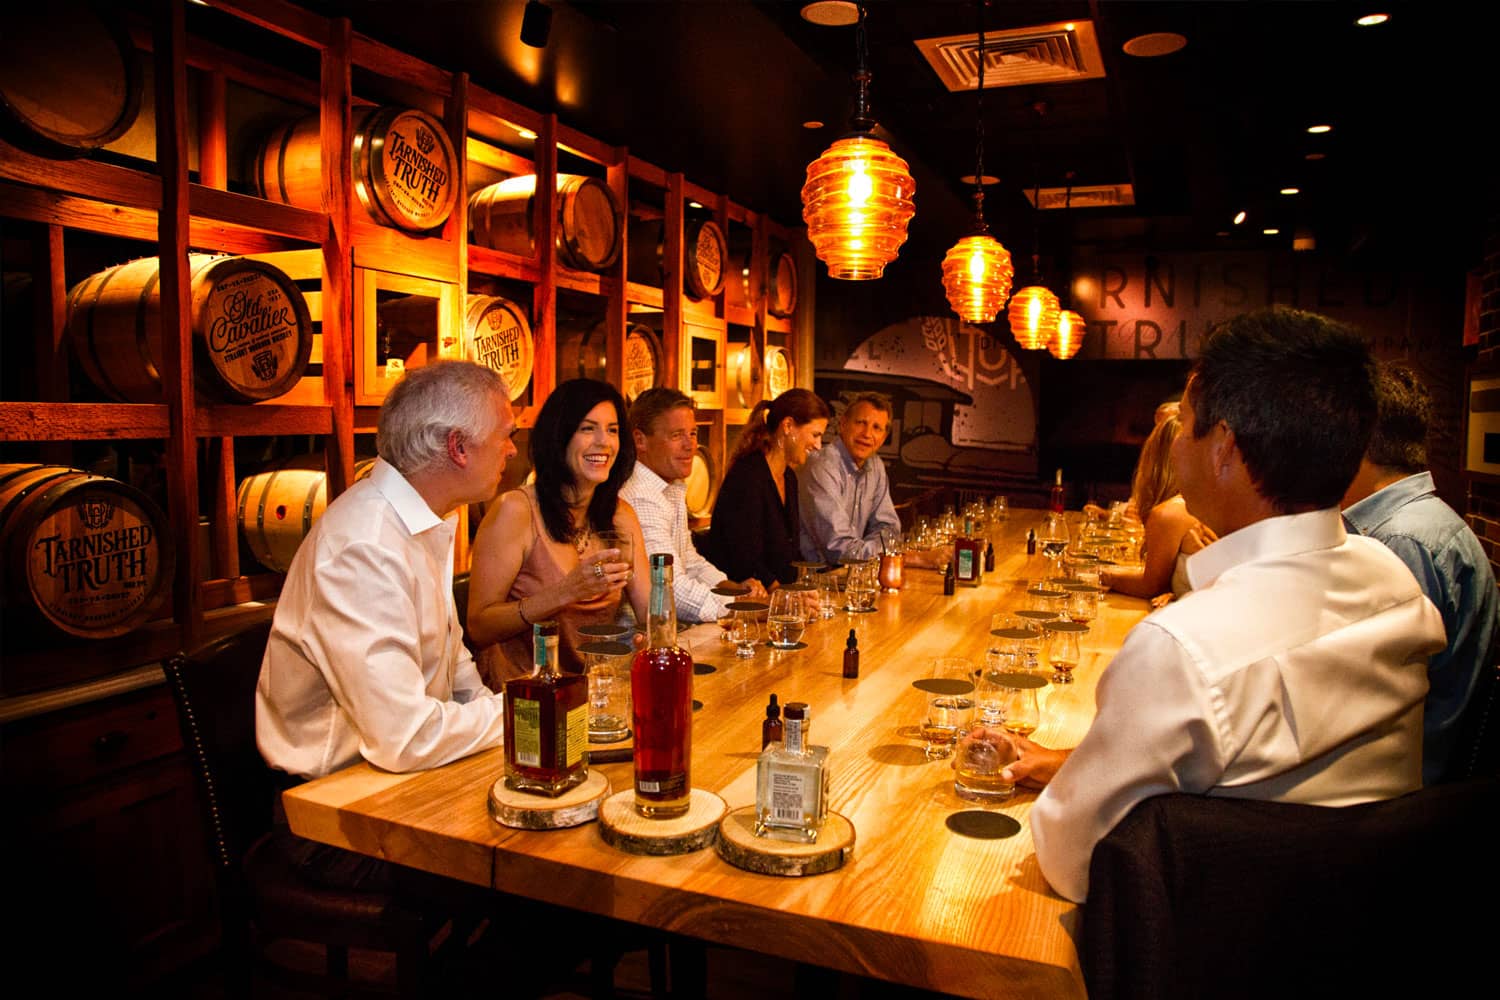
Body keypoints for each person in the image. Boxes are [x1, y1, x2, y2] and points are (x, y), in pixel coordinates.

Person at [998, 307, 1445, 903]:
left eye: (1184, 426)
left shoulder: (1185, 648)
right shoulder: (1394, 583)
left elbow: (1072, 859)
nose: (1175, 448)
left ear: (1224, 448)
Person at [257, 360, 517, 783]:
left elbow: (456, 674)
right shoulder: (364, 545)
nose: (511, 450)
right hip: (331, 802)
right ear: (459, 447)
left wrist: (509, 716)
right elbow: (405, 738)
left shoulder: (427, 519)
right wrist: (530, 708)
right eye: (505, 435)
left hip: (402, 775)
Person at [1341, 362, 1499, 785]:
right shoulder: (1420, 522)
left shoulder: (1400, 541)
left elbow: (1378, 701)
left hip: (1407, 791)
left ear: (1356, 437)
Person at [467, 378, 649, 686]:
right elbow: (479, 627)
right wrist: (568, 591)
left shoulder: (621, 516)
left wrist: (646, 636)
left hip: (595, 690)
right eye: (587, 428)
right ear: (559, 436)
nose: (604, 442)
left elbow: (651, 614)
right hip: (520, 696)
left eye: (613, 429)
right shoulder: (516, 510)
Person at [620, 387, 767, 623]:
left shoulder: (670, 486)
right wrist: (747, 608)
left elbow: (689, 561)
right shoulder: (641, 496)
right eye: (677, 435)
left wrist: (734, 589)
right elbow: (671, 589)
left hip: (675, 630)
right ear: (640, 440)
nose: (690, 445)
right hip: (639, 644)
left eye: (693, 433)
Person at [705, 388, 830, 588]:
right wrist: (786, 598)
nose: (818, 445)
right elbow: (744, 561)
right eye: (815, 435)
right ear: (788, 426)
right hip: (745, 603)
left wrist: (805, 589)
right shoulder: (747, 476)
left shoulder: (789, 477)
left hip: (779, 600)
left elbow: (789, 554)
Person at [797, 392, 937, 568]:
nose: (867, 433)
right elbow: (838, 550)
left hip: (856, 575)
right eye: (861, 423)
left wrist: (877, 553)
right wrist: (901, 557)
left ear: (883, 438)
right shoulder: (822, 466)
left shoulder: (875, 465)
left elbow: (889, 528)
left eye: (877, 428)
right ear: (843, 424)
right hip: (818, 581)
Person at [1097, 415, 1205, 603]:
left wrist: (1099, 576)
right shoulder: (1199, 503)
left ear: (1154, 457)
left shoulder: (1171, 513)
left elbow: (1151, 586)